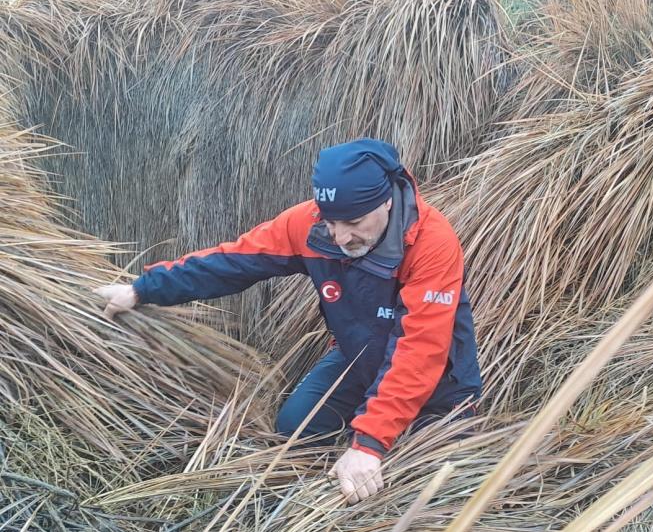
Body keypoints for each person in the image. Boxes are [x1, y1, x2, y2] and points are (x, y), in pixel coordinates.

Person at [95, 138, 482, 504]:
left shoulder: (432, 243)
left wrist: (368, 443)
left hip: (439, 382)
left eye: (354, 221)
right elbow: (232, 261)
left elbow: (419, 352)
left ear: (387, 202)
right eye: (331, 221)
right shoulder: (309, 225)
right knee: (295, 432)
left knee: (437, 482)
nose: (340, 236)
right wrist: (142, 289)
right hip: (355, 357)